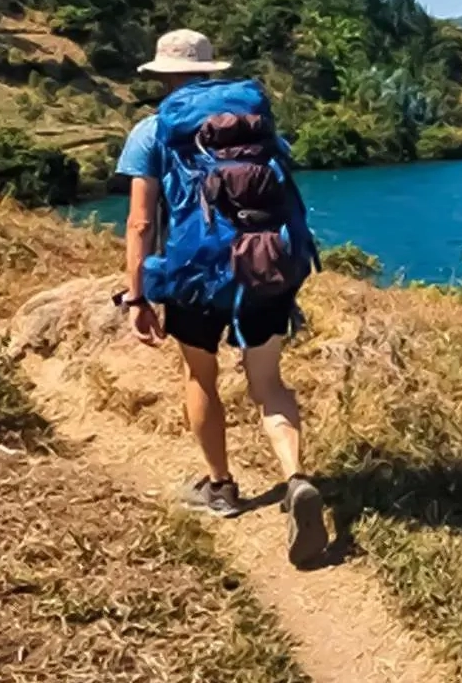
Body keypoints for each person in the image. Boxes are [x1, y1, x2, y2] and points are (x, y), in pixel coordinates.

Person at [115, 28, 327, 568]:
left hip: (194, 277)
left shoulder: (153, 130)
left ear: (163, 76)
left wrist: (136, 295)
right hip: (263, 268)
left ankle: (221, 487)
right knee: (269, 383)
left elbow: (141, 221)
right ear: (211, 72)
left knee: (200, 378)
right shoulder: (256, 124)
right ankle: (296, 478)